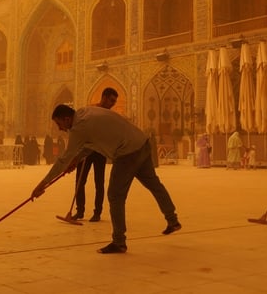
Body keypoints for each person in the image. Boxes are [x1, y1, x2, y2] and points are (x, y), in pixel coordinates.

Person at [33, 104, 181, 254]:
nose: (60, 129)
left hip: (127, 152)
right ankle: (172, 219)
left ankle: (119, 241)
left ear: (67, 118)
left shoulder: (78, 128)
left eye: (59, 124)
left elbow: (62, 160)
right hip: (142, 143)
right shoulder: (86, 111)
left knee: (115, 196)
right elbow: (92, 143)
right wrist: (77, 159)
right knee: (154, 185)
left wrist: (42, 184)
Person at [73, 87, 117, 222]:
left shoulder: (110, 116)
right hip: (86, 151)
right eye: (111, 100)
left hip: (99, 152)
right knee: (80, 182)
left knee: (99, 182)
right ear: (103, 97)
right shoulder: (91, 111)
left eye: (114, 102)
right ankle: (80, 211)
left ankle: (97, 212)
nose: (112, 104)